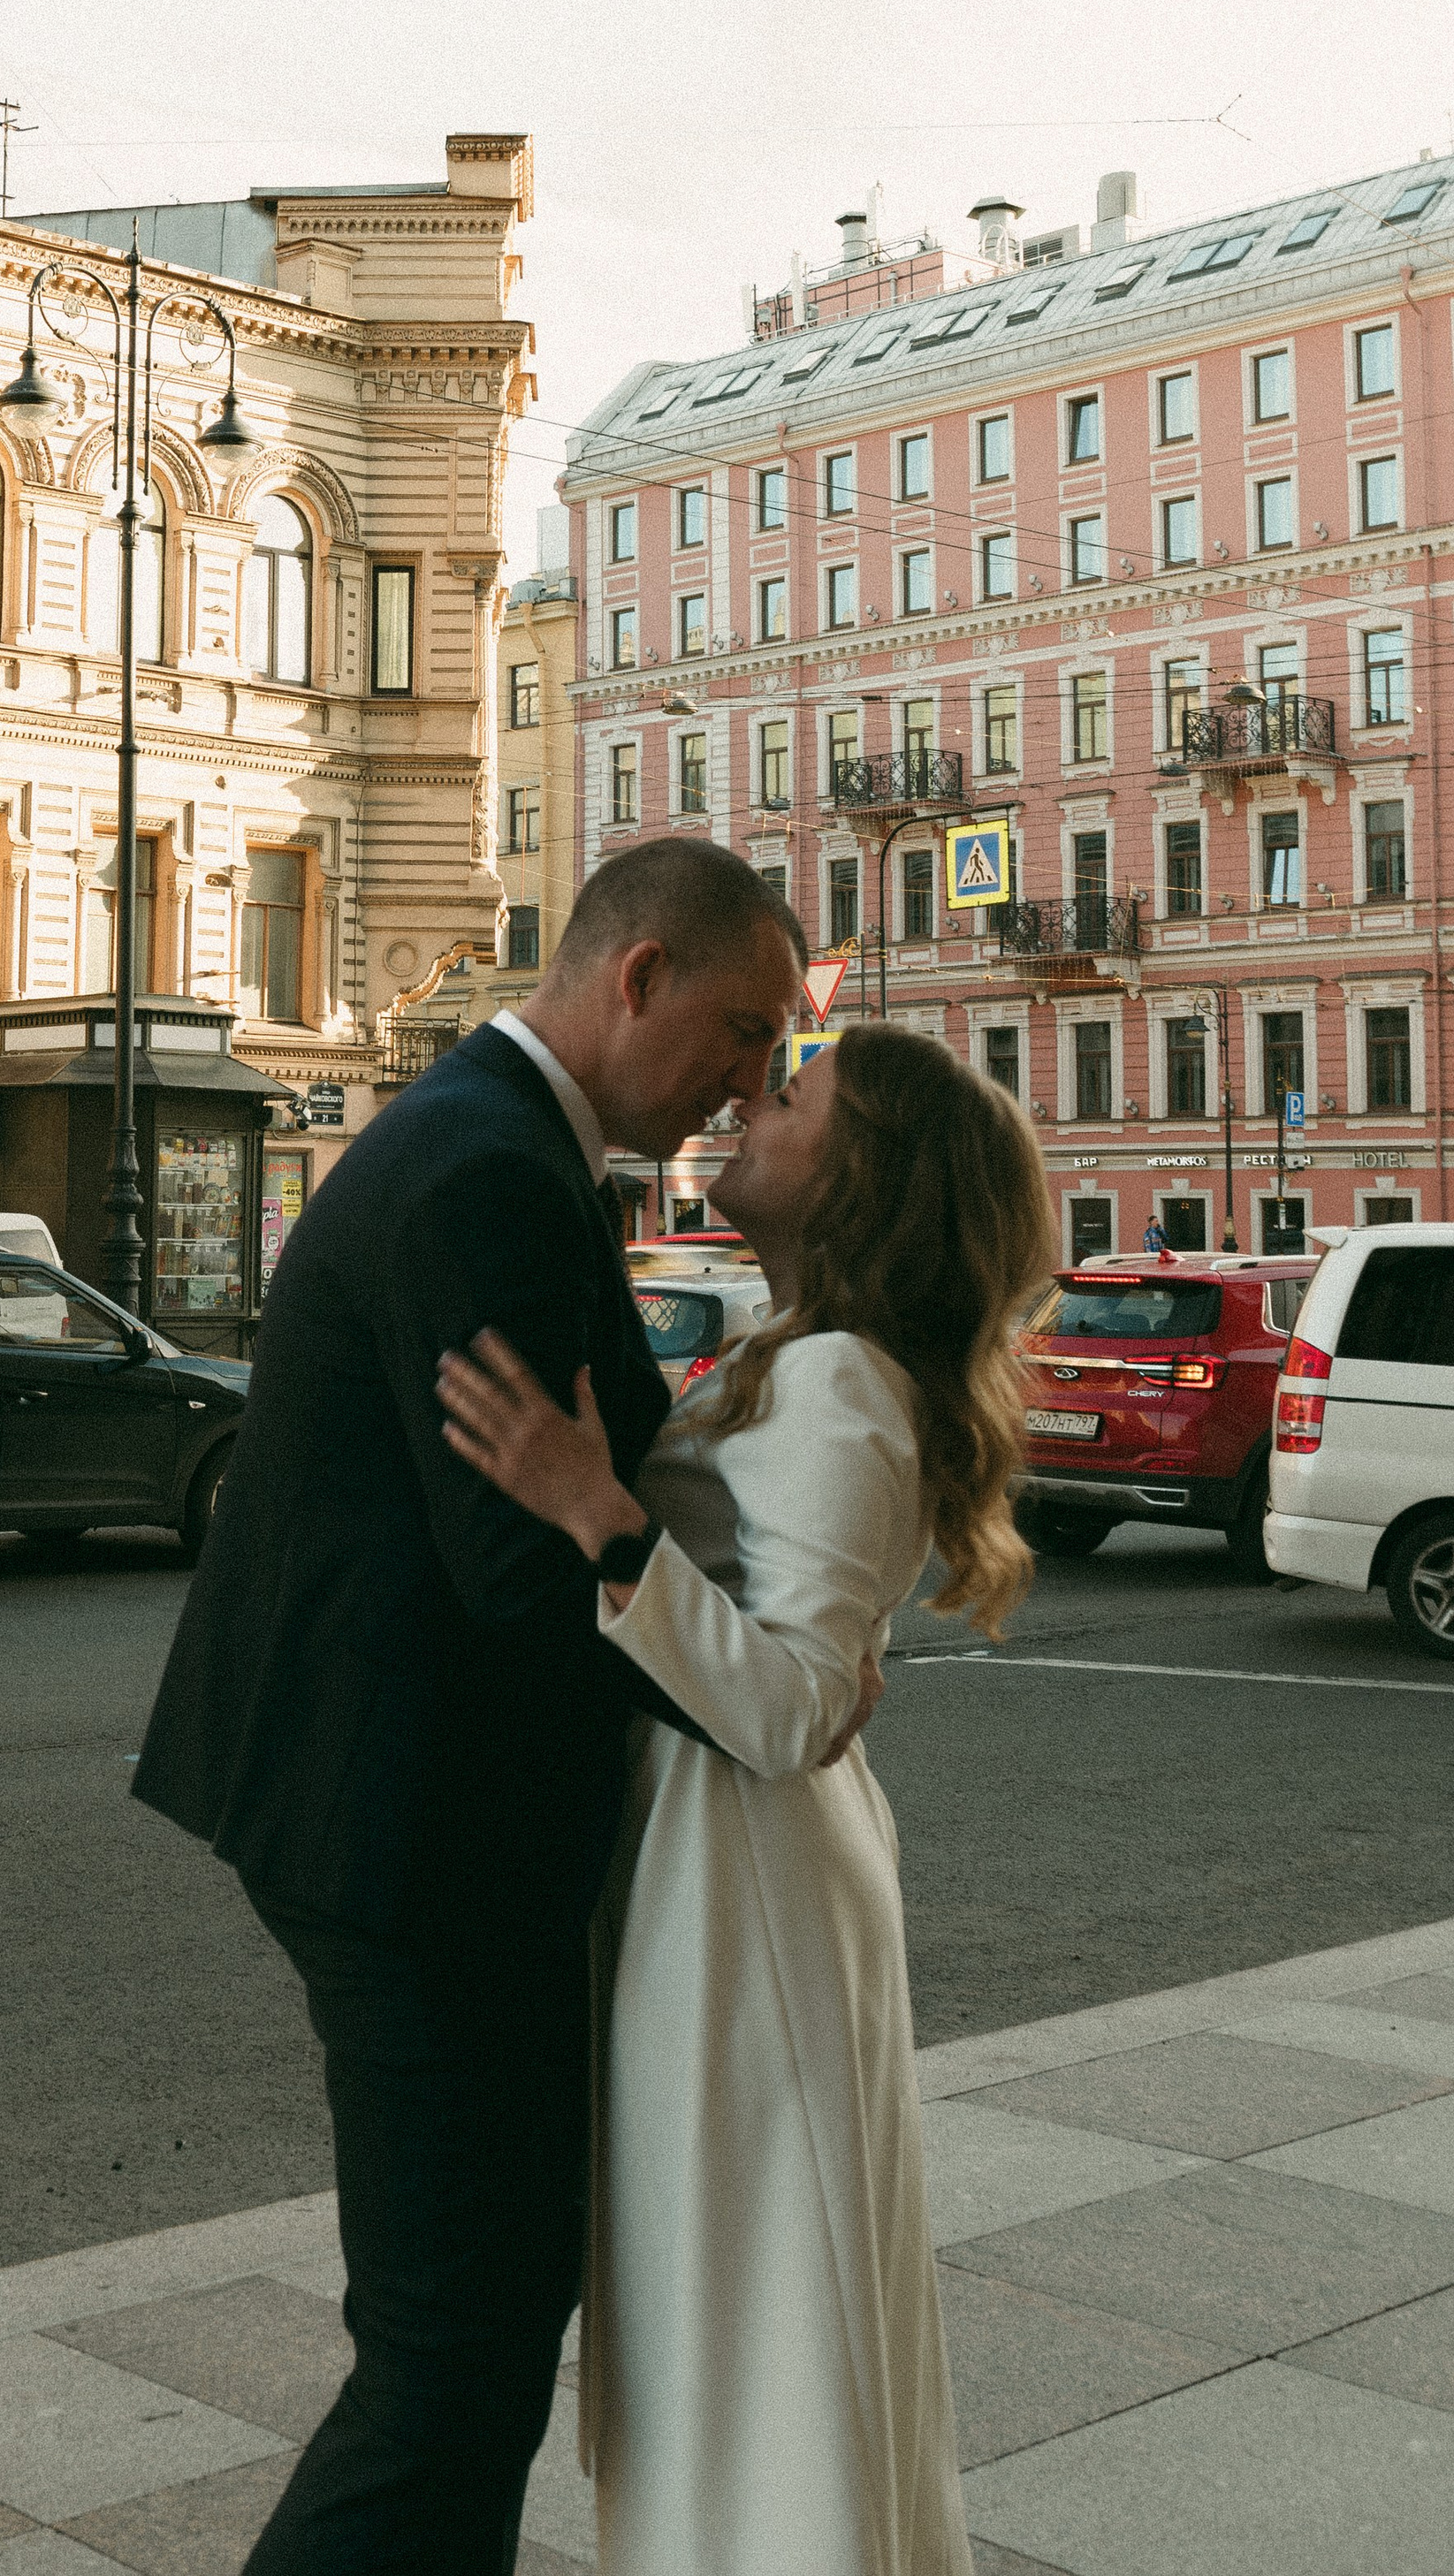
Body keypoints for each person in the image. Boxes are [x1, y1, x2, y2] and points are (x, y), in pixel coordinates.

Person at [133, 839, 807, 2572]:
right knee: (452, 2360)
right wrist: (767, 1688)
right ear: (639, 976)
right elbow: (526, 1573)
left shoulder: (492, 1141)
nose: (751, 1079)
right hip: (417, 1838)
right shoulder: (486, 1170)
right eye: (744, 1029)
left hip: (403, 1815)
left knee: (471, 2341)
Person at [439, 1023, 1054, 2574]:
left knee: (757, 2299)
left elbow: (786, 1706)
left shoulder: (840, 1376)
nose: (748, 1104)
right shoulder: (806, 1351)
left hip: (749, 1882)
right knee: (749, 2291)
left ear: (860, 1178)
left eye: (789, 1099)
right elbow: (810, 1670)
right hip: (736, 1863)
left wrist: (597, 1513)